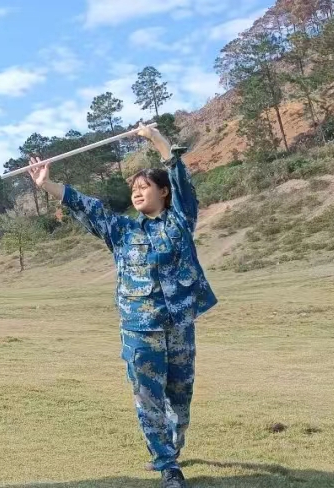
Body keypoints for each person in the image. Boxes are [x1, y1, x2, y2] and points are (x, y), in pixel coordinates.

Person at [26, 125, 215, 488]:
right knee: (148, 398)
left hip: (178, 326)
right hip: (138, 328)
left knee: (180, 396)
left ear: (163, 192)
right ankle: (167, 466)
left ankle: (172, 447)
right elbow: (88, 207)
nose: (137, 192)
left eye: (144, 186)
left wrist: (156, 140)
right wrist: (48, 185)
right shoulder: (122, 231)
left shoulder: (180, 220)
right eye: (133, 189)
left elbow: (180, 177)